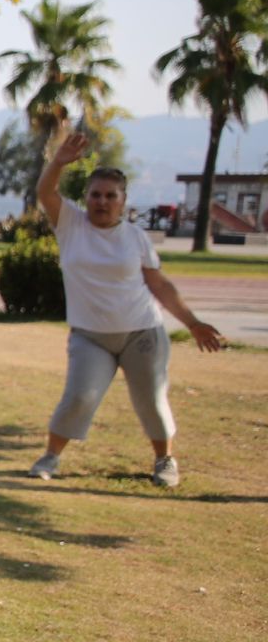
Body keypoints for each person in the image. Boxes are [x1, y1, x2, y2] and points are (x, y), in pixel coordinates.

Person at [28, 132, 225, 486]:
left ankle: (164, 461)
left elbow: (159, 285)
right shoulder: (71, 224)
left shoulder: (135, 237)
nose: (102, 202)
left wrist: (193, 323)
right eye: (95, 195)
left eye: (110, 196)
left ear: (123, 200)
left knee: (151, 400)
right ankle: (50, 457)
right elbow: (45, 193)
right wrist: (58, 161)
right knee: (79, 396)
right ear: (85, 197)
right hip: (90, 336)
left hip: (141, 333)